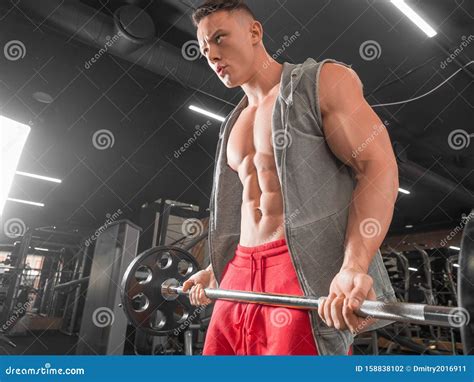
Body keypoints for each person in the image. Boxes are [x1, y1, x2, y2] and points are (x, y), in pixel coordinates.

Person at [183, 0, 398, 355]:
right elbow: (249, 207)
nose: (212, 55)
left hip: (298, 269)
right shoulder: (233, 124)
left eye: (220, 38)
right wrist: (216, 268)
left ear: (254, 32)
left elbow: (378, 167)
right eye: (205, 49)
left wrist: (354, 266)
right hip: (239, 270)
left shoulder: (322, 83)